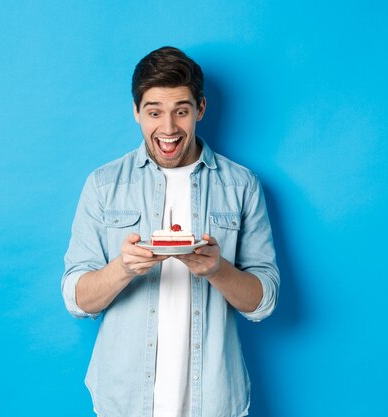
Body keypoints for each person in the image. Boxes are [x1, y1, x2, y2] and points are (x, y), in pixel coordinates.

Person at [62, 46, 279, 417]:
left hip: (213, 400)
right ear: (136, 112)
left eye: (181, 111)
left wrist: (216, 269)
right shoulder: (103, 185)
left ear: (201, 110)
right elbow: (77, 300)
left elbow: (264, 301)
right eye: (154, 112)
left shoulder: (241, 185)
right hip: (123, 401)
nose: (168, 128)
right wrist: (124, 267)